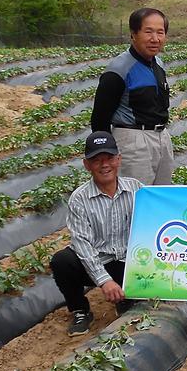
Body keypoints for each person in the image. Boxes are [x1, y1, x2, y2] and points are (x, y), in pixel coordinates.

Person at [50, 131, 142, 336]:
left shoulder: (136, 189)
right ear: (86, 165)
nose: (104, 165)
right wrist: (104, 280)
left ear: (118, 159)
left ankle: (127, 298)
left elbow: (155, 223)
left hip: (129, 262)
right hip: (99, 262)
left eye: (109, 158)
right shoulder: (79, 199)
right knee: (62, 261)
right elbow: (82, 243)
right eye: (96, 160)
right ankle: (80, 310)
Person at [91, 7, 173, 185]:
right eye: (148, 32)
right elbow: (99, 118)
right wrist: (105, 153)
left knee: (162, 195)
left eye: (160, 32)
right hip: (133, 140)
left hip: (161, 136)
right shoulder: (118, 69)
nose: (155, 39)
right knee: (135, 198)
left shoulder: (158, 63)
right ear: (133, 34)